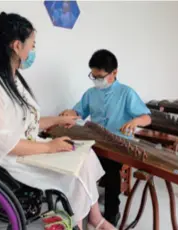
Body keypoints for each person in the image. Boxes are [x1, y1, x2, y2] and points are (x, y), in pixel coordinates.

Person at [0, 12, 116, 230]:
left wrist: (58, 120)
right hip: (2, 159)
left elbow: (26, 122)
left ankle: (94, 218)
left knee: (85, 155)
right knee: (74, 169)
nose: (33, 51)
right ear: (17, 46)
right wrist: (51, 147)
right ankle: (79, 223)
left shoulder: (10, 77)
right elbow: (2, 141)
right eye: (32, 45)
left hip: (21, 146)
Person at [60, 49, 151, 226]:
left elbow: (147, 117)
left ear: (114, 73)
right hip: (95, 141)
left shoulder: (126, 93)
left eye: (100, 77)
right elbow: (79, 112)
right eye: (93, 76)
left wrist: (135, 121)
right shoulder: (91, 93)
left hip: (118, 143)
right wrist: (69, 113)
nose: (96, 81)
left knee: (110, 171)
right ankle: (81, 207)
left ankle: (111, 213)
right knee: (75, 161)